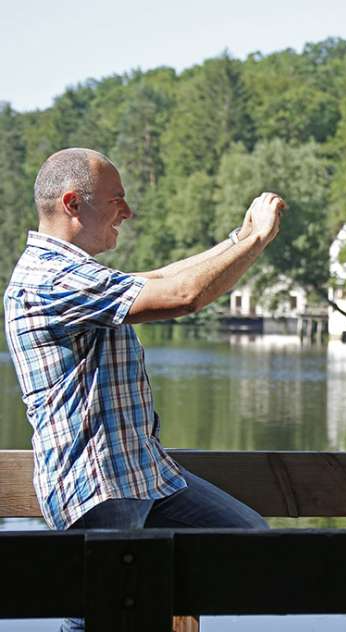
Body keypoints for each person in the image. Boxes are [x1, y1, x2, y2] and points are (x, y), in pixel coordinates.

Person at [3, 148, 283, 632]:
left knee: (249, 543)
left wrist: (238, 238)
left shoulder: (77, 274)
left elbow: (159, 278)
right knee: (103, 619)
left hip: (145, 476)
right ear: (73, 203)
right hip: (98, 487)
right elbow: (182, 296)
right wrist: (255, 240)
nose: (127, 212)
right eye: (117, 199)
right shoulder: (48, 279)